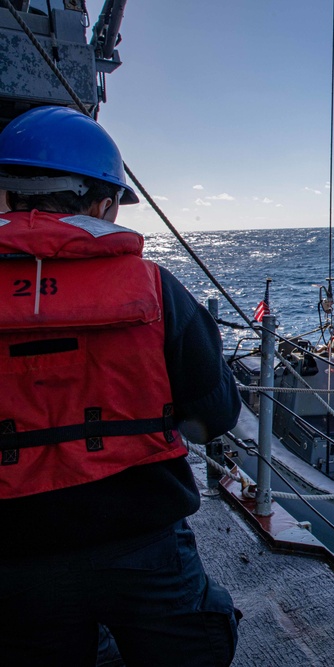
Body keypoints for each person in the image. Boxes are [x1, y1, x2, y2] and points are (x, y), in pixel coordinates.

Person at [0, 106, 242, 666]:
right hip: (145, 544)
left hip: (14, 556)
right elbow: (218, 416)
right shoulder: (157, 289)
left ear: (7, 196)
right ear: (104, 203)